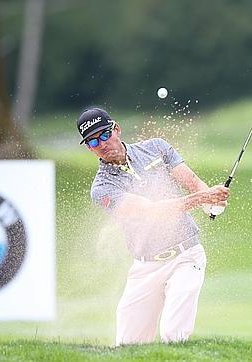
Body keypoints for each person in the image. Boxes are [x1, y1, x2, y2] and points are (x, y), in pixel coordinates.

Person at [77, 107, 229, 345]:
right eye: (93, 141)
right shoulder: (102, 188)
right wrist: (203, 199)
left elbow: (191, 181)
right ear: (89, 148)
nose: (102, 144)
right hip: (145, 267)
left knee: (173, 335)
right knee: (128, 345)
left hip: (186, 256)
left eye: (104, 135)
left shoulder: (156, 147)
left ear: (116, 129)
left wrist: (212, 200)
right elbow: (151, 211)